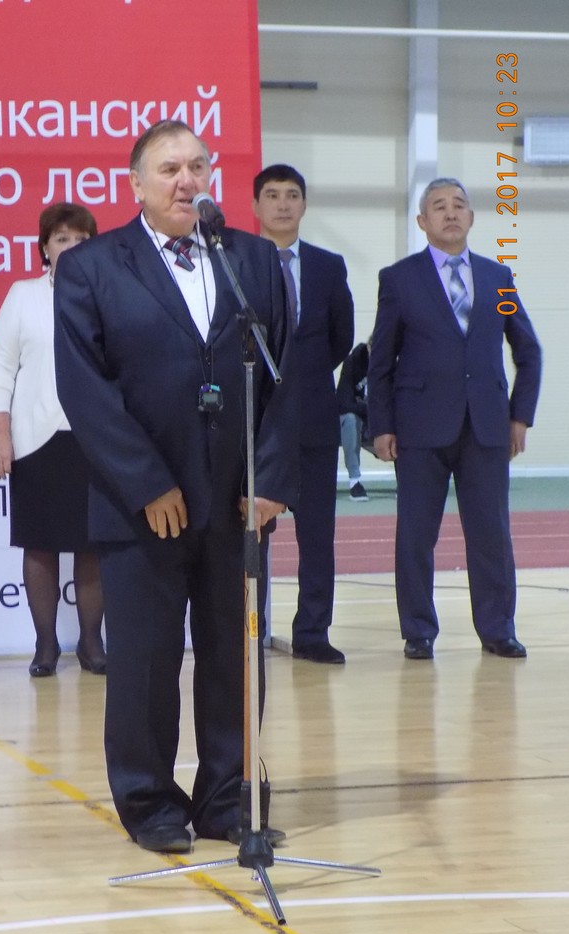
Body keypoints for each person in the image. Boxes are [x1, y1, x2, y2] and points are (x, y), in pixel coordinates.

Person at [54, 120, 298, 854]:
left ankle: (227, 799)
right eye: (169, 169)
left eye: (197, 166)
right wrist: (146, 483)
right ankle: (150, 803)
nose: (187, 180)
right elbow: (85, 390)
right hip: (143, 506)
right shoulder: (92, 266)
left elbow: (286, 377)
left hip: (236, 502)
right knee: (145, 662)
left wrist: (268, 479)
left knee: (234, 658)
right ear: (135, 184)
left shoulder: (252, 260)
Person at [367, 177, 542, 661]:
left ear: (471, 217)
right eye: (439, 206)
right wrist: (381, 425)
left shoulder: (497, 278)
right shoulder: (399, 279)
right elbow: (381, 361)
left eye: (459, 205)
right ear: (422, 221)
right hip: (418, 428)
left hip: (486, 426)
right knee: (416, 535)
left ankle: (498, 629)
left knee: (491, 534)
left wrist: (520, 417)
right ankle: (418, 630)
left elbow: (528, 351)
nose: (450, 213)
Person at [0, 203, 106, 678]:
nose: (71, 248)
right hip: (36, 440)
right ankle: (46, 645)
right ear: (44, 248)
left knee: (93, 546)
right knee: (39, 546)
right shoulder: (23, 295)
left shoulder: (110, 294)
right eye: (62, 239)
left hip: (96, 440)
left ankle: (92, 644)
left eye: (81, 240)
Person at [252, 164, 354, 665]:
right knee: (252, 534)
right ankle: (249, 628)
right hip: (256, 424)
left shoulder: (328, 266)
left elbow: (341, 339)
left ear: (305, 205)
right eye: (272, 195)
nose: (283, 204)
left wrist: (303, 380)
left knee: (317, 537)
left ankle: (312, 632)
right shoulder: (237, 261)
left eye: (292, 195)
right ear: (256, 206)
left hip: (314, 419)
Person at [336, 340, 371, 501]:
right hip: (358, 420)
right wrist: (367, 408)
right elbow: (343, 404)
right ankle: (354, 481)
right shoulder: (353, 362)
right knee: (350, 420)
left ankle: (404, 483)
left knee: (401, 421)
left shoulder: (391, 365)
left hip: (378, 422)